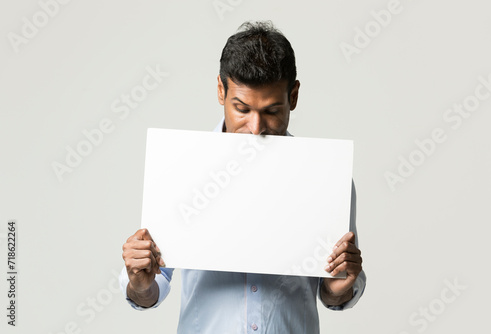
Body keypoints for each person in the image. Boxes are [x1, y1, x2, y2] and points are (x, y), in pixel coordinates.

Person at [119, 21, 366, 333]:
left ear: (294, 96)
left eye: (272, 111)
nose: (256, 127)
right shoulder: (181, 168)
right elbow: (151, 288)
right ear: (221, 91)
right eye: (242, 109)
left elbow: (333, 291)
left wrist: (338, 286)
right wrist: (139, 284)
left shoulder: (329, 179)